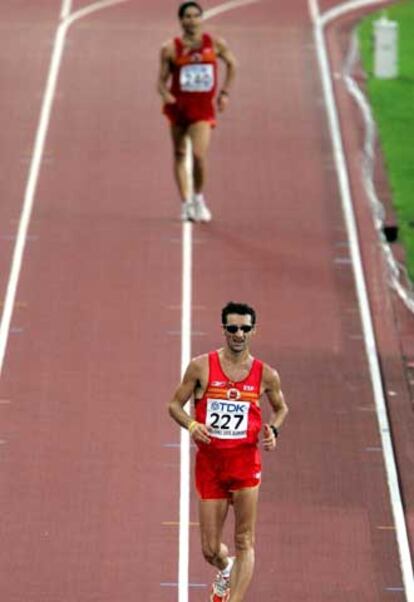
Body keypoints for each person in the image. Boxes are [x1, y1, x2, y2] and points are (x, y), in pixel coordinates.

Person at [168, 301, 289, 602]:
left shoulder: (266, 374)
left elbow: (281, 408)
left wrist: (274, 430)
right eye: (233, 328)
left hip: (246, 465)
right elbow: (173, 405)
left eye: (245, 328)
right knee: (210, 549)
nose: (239, 334)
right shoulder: (200, 366)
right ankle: (224, 569)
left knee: (244, 539)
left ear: (253, 330)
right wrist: (192, 424)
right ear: (223, 329)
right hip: (210, 466)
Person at [157, 1, 237, 222]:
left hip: (202, 108)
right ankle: (185, 203)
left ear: (201, 18)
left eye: (195, 16)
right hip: (178, 107)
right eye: (187, 16)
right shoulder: (170, 48)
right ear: (181, 20)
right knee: (180, 154)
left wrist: (225, 93)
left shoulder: (216, 44)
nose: (192, 20)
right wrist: (165, 94)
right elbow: (160, 82)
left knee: (199, 155)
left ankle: (198, 199)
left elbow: (233, 64)